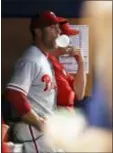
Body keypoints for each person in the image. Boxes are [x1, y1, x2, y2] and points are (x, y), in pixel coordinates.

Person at [3, 11, 86, 152]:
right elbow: (14, 94)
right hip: (36, 130)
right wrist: (39, 122)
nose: (58, 32)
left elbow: (78, 94)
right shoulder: (33, 58)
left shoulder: (48, 62)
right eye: (53, 28)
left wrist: (81, 62)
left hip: (48, 130)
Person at [49, 20, 86, 108]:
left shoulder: (59, 65)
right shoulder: (46, 62)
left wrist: (81, 62)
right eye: (67, 38)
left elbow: (79, 94)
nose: (69, 43)